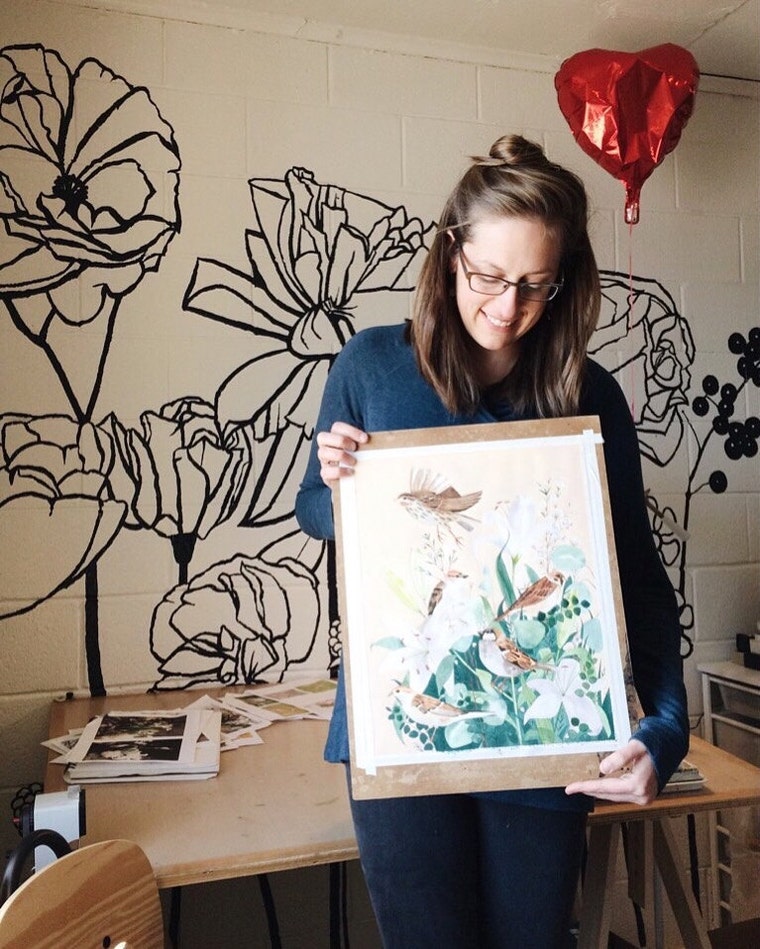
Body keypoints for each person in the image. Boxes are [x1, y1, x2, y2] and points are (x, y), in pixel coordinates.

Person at [295, 134, 689, 949]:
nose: (508, 308)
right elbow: (313, 513)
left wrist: (665, 732)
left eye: (535, 285)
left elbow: (640, 582)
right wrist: (342, 488)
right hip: (400, 741)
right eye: (488, 276)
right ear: (450, 253)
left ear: (563, 281)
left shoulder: (589, 395)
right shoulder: (370, 366)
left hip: (543, 747)